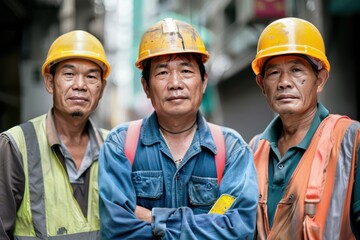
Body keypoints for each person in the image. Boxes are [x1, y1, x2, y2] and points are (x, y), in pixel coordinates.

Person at [98, 18, 258, 239]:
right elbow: (116, 229)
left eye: (186, 71)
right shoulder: (120, 144)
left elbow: (237, 230)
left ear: (203, 82)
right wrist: (204, 225)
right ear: (146, 87)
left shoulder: (232, 149)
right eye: (162, 73)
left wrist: (152, 218)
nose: (175, 83)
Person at [249, 17, 360, 239]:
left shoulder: (350, 138)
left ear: (320, 80)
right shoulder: (253, 149)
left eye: (296, 70)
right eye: (273, 73)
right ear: (262, 85)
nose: (284, 82)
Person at [0, 30, 110, 239]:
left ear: (102, 89)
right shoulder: (15, 145)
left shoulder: (115, 146)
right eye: (69, 74)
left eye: (91, 76)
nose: (80, 85)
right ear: (50, 82)